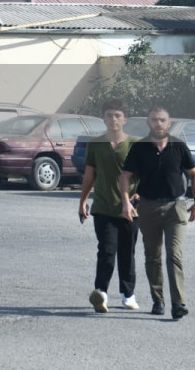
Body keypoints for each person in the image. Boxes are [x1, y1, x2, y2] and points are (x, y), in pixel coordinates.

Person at [119, 105, 195, 320]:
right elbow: (126, 176)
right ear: (149, 123)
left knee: (174, 255)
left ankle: (178, 303)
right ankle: (158, 299)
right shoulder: (140, 148)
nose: (158, 123)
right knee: (152, 256)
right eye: (154, 120)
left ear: (169, 123)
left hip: (176, 207)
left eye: (162, 120)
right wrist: (126, 202)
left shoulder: (179, 146)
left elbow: (194, 174)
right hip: (148, 207)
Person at [78, 98, 140, 313]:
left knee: (127, 252)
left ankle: (128, 294)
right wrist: (83, 201)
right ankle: (100, 293)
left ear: (125, 120)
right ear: (103, 118)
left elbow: (147, 175)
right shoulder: (95, 144)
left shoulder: (136, 144)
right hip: (102, 207)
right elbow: (89, 175)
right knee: (106, 250)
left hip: (130, 209)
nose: (113, 119)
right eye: (109, 115)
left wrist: (139, 194)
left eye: (117, 115)